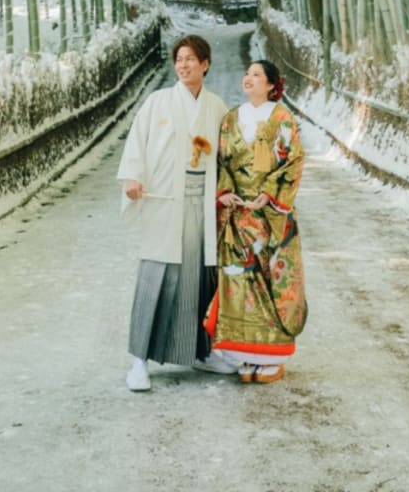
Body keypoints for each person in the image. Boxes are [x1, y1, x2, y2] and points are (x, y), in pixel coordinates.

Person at [116, 34, 236, 391]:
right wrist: (133, 177)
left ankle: (202, 352)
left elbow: (230, 155)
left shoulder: (216, 107)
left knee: (201, 277)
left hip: (203, 203)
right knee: (158, 275)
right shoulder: (158, 102)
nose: (183, 65)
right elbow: (137, 140)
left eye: (190, 59)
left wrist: (231, 191)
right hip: (165, 199)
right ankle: (139, 361)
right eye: (178, 59)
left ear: (205, 64)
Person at [204, 59, 307, 383]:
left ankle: (272, 357)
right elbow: (221, 163)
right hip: (237, 216)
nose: (248, 78)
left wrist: (268, 195)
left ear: (272, 85)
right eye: (247, 74)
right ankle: (244, 355)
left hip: (270, 216)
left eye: (257, 75)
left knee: (270, 283)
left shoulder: (282, 119)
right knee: (238, 282)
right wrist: (226, 192)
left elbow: (293, 162)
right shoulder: (231, 119)